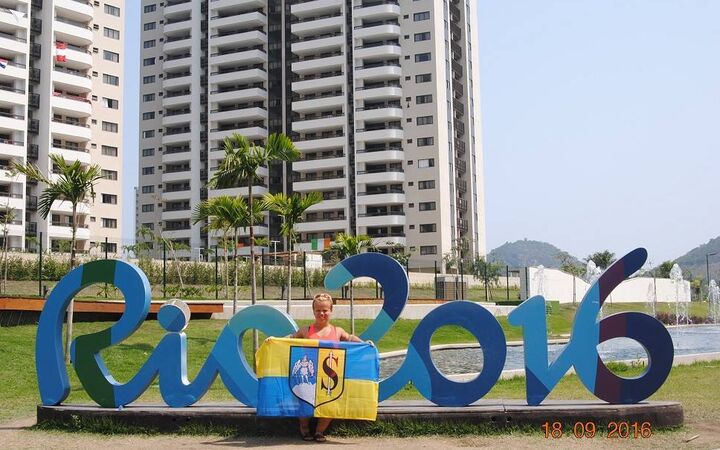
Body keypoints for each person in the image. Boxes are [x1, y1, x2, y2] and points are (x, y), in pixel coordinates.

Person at [290, 292, 366, 442]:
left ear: (331, 310)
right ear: (313, 311)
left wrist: (365, 343)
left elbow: (350, 338)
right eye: (318, 310)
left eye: (325, 310)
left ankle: (319, 431)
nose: (321, 313)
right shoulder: (306, 330)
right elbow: (290, 339)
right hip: (310, 375)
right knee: (304, 401)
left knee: (331, 403)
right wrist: (273, 340)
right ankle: (304, 428)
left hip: (330, 376)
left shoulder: (337, 331)